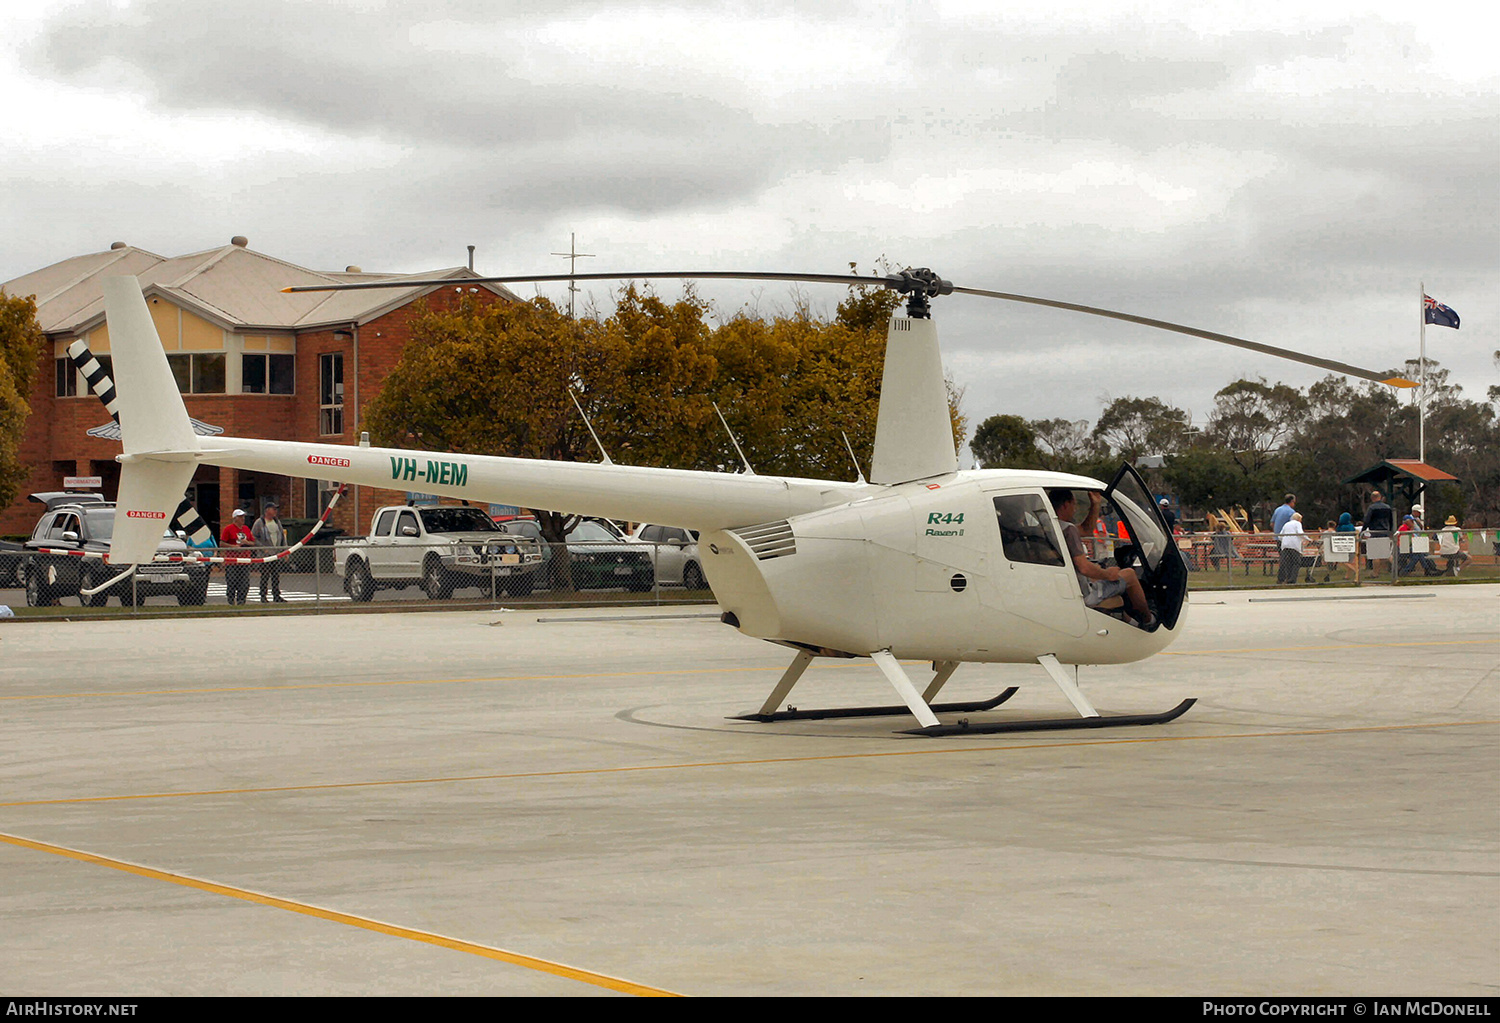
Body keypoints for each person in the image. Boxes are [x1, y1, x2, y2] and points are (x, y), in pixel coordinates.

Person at [1049, 488, 1156, 630]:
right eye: (1074, 505)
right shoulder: (1068, 529)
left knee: (1100, 573)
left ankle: (1129, 622)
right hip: (1083, 592)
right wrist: (1108, 574)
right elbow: (1084, 567)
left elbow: (1086, 530)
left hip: (1067, 584)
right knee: (1128, 574)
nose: (1075, 510)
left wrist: (1095, 505)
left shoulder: (1051, 527)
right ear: (1065, 505)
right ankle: (1149, 620)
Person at [252, 500, 288, 602]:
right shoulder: (260, 522)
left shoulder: (277, 522)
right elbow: (253, 536)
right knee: (265, 575)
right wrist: (263, 548)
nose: (275, 511)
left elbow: (282, 536)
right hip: (265, 555)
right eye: (273, 509)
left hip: (276, 554)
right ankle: (263, 595)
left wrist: (285, 550)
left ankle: (276, 595)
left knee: (276, 576)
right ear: (267, 510)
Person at [219, 509, 254, 605]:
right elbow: (222, 543)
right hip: (232, 561)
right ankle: (231, 600)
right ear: (235, 518)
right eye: (240, 517)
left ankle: (241, 601)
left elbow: (253, 542)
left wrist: (247, 543)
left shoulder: (246, 529)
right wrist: (233, 547)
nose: (243, 519)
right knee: (232, 581)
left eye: (243, 517)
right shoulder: (228, 529)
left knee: (244, 583)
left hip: (245, 560)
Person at [1365, 490, 1394, 574]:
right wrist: (1390, 530)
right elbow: (1391, 520)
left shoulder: (1372, 508)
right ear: (1380, 497)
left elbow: (1367, 520)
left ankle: (1375, 573)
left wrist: (1364, 530)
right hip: (1385, 532)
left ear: (1372, 498)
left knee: (1375, 554)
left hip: (1375, 532)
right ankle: (1396, 569)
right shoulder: (1388, 507)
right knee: (1387, 553)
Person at [1277, 512, 1307, 584]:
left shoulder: (1286, 524)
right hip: (1294, 545)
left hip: (1285, 545)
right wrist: (1307, 539)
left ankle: (1282, 578)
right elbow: (1300, 533)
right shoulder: (1297, 524)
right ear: (1299, 519)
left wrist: (1284, 541)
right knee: (1296, 562)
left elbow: (1280, 536)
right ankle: (1292, 579)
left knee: (1285, 562)